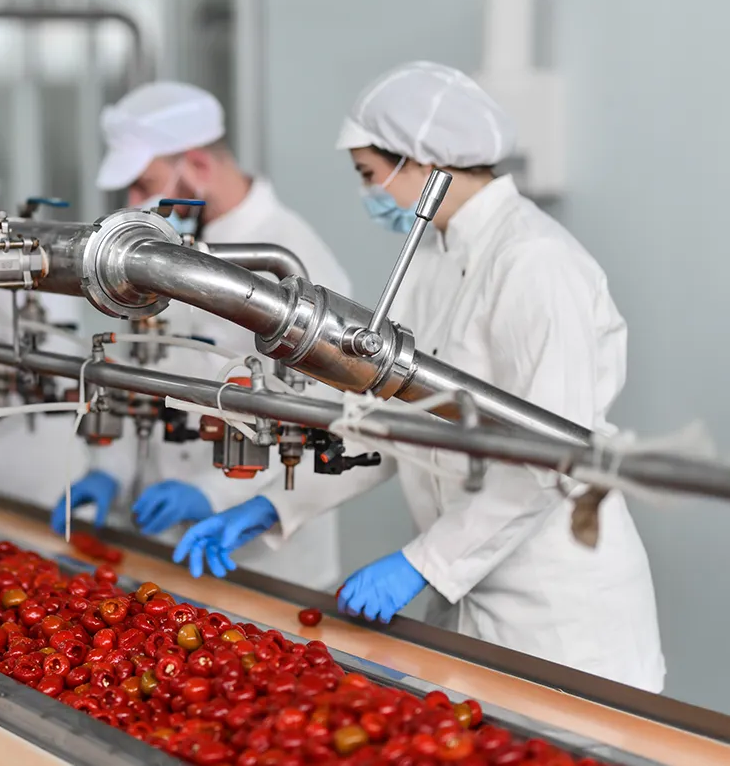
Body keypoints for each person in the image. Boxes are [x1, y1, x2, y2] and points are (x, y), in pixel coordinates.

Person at [176, 61, 665, 691]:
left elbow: (549, 457)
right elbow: (390, 423)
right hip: (467, 594)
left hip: (558, 613)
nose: (368, 195)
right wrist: (274, 504)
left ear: (423, 164)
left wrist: (420, 563)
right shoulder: (431, 259)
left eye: (370, 175)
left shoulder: (535, 262)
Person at [52, 81, 352, 590]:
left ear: (200, 167)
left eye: (145, 186)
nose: (134, 203)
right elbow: (145, 367)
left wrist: (215, 494)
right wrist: (113, 467)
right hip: (164, 534)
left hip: (261, 556)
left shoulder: (295, 259)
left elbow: (323, 415)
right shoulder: (167, 248)